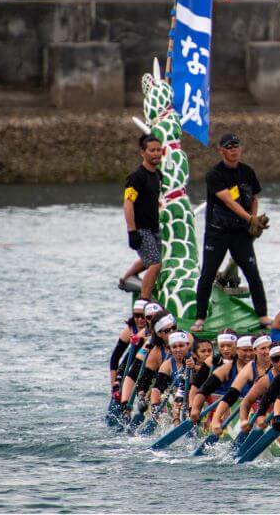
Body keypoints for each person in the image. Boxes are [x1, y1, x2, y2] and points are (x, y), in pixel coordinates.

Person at [193, 133, 270, 332]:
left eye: (236, 146)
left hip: (240, 234)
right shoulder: (214, 175)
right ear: (221, 151)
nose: (234, 150)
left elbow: (254, 198)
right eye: (229, 147)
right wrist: (250, 219)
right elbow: (229, 201)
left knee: (253, 274)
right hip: (217, 233)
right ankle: (200, 318)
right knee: (207, 275)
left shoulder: (248, 172)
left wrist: (254, 222)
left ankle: (263, 315)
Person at [119, 134, 163, 300]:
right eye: (152, 150)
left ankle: (125, 279)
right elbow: (128, 203)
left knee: (151, 259)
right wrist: (132, 231)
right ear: (143, 153)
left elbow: (151, 197)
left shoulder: (158, 175)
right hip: (141, 229)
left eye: (158, 150)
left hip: (154, 227)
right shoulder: (136, 177)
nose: (156, 153)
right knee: (155, 264)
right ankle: (144, 301)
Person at [189, 330, 255, 423]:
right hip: (218, 406)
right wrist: (192, 407)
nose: (225, 349)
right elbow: (197, 386)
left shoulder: (255, 364)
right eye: (222, 346)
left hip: (243, 408)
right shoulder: (212, 361)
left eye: (229, 345)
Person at [109, 299, 149, 403]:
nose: (140, 319)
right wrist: (114, 383)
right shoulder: (130, 329)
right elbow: (115, 357)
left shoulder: (153, 329)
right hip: (135, 363)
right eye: (136, 316)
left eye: (143, 316)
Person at [147, 331, 191, 426]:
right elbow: (156, 389)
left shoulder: (193, 360)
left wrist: (176, 418)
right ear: (170, 349)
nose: (178, 349)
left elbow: (184, 388)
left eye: (181, 346)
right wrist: (155, 407)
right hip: (178, 399)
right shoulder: (167, 365)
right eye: (174, 347)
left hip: (192, 397)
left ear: (187, 346)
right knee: (165, 397)